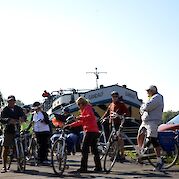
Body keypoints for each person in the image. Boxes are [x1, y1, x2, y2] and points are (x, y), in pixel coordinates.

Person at [66, 96, 102, 173]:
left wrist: (79, 117)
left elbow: (89, 117)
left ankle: (83, 167)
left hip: (90, 131)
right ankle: (98, 167)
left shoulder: (87, 108)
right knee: (94, 149)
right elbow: (82, 121)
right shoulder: (86, 108)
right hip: (94, 130)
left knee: (84, 149)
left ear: (82, 103)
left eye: (79, 104)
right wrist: (71, 125)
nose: (79, 106)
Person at [137, 85, 164, 171]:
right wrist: (143, 107)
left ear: (152, 91)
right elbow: (142, 109)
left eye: (148, 91)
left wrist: (143, 107)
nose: (147, 93)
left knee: (153, 139)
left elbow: (146, 107)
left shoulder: (157, 97)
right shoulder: (150, 98)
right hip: (145, 121)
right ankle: (141, 153)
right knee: (140, 135)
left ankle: (159, 161)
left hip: (153, 121)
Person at [101, 91, 129, 162]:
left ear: (118, 97)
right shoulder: (111, 104)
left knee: (119, 138)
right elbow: (107, 113)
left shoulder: (121, 104)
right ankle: (115, 154)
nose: (115, 98)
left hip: (118, 124)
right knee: (113, 140)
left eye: (116, 96)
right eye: (113, 96)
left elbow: (127, 113)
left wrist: (121, 116)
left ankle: (122, 154)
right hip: (111, 124)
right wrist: (102, 118)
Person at [0, 95, 26, 173]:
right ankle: (4, 166)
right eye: (9, 101)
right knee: (6, 147)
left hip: (17, 130)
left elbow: (23, 116)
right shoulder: (5, 109)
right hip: (8, 130)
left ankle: (20, 164)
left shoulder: (18, 109)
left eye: (12, 101)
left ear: (14, 101)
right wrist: (9, 120)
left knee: (19, 147)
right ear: (7, 102)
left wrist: (22, 119)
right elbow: (1, 119)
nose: (11, 102)